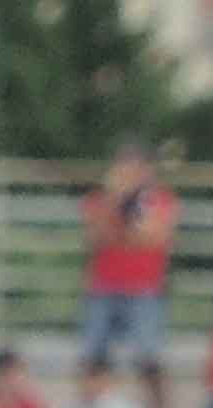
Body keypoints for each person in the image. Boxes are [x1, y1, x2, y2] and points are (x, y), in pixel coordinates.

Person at [83, 145, 179, 375]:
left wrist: (126, 227)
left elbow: (158, 238)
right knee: (93, 356)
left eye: (134, 169)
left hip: (145, 289)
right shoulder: (99, 200)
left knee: (149, 358)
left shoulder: (162, 200)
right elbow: (96, 238)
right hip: (104, 288)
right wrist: (117, 202)